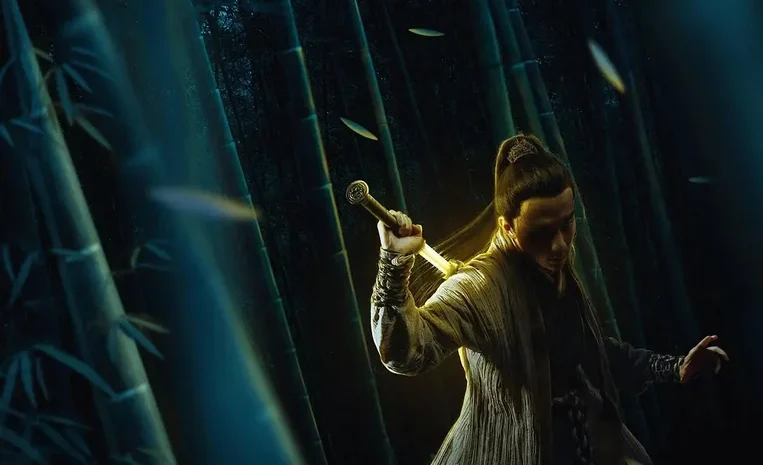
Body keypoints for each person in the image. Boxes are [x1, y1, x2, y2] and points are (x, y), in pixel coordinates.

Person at [369, 134, 728, 465]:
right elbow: (405, 352)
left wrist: (674, 367)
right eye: (541, 232)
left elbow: (593, 352)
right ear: (508, 227)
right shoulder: (479, 286)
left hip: (580, 443)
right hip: (507, 450)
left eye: (566, 224)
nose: (559, 245)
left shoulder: (552, 267)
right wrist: (392, 265)